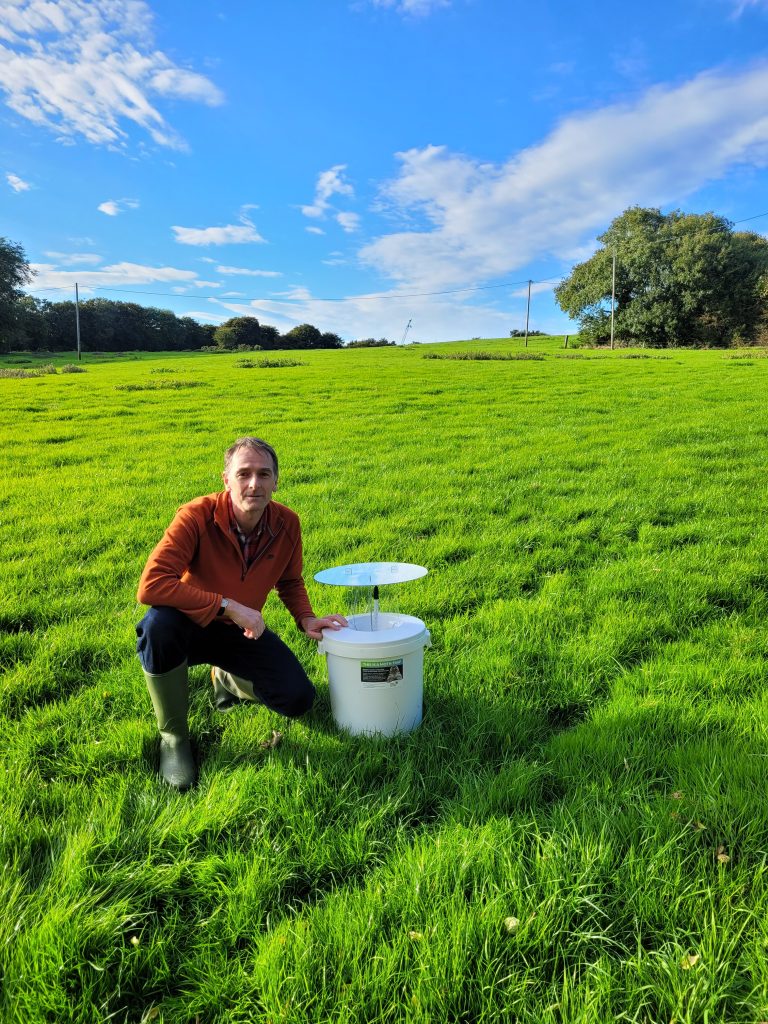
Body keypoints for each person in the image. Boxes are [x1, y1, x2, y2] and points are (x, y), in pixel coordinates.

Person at [135, 436, 347, 790]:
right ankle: (173, 738)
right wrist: (228, 606)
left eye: (264, 474)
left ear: (276, 481)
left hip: (238, 633)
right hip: (187, 624)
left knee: (299, 699)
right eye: (244, 473)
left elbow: (290, 580)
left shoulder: (287, 524)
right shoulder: (195, 516)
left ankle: (226, 679)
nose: (254, 484)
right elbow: (151, 585)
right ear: (226, 479)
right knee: (158, 625)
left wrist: (307, 618)